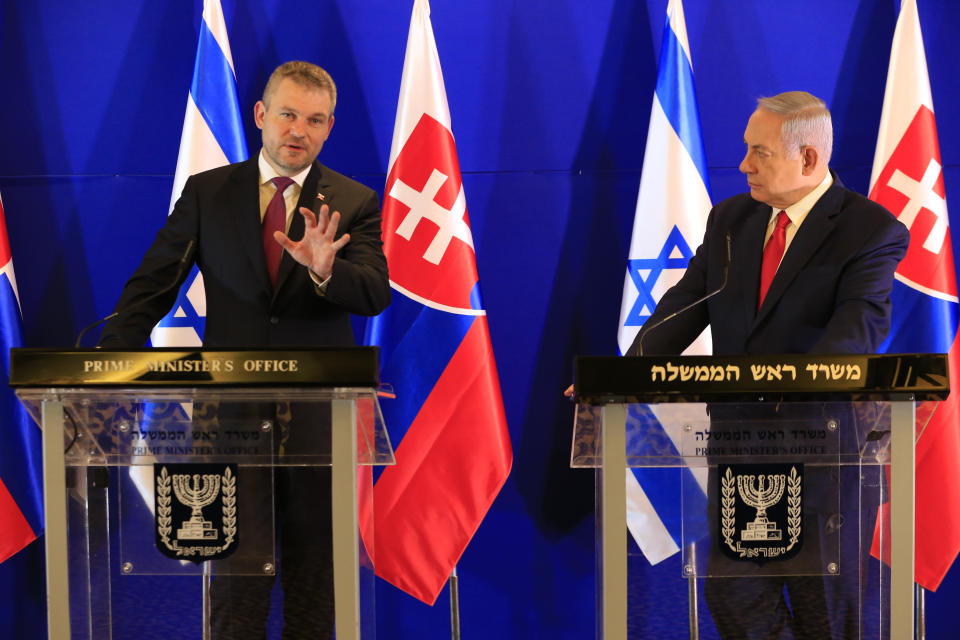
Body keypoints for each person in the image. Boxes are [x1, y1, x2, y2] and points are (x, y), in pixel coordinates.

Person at [100, 61, 390, 639]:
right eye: (287, 114)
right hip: (227, 416)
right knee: (236, 576)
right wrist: (111, 359)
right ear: (261, 116)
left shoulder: (353, 203)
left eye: (314, 120)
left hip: (317, 420)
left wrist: (328, 271)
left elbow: (375, 294)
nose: (297, 131)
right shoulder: (210, 193)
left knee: (315, 575)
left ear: (329, 128)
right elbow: (155, 282)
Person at [629, 92, 909, 639]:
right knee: (734, 596)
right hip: (744, 449)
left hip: (824, 453)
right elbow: (687, 304)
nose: (743, 165)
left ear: (807, 158)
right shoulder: (732, 219)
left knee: (825, 612)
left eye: (759, 152)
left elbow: (857, 333)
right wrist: (622, 376)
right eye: (745, 150)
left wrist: (786, 388)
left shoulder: (870, 231)